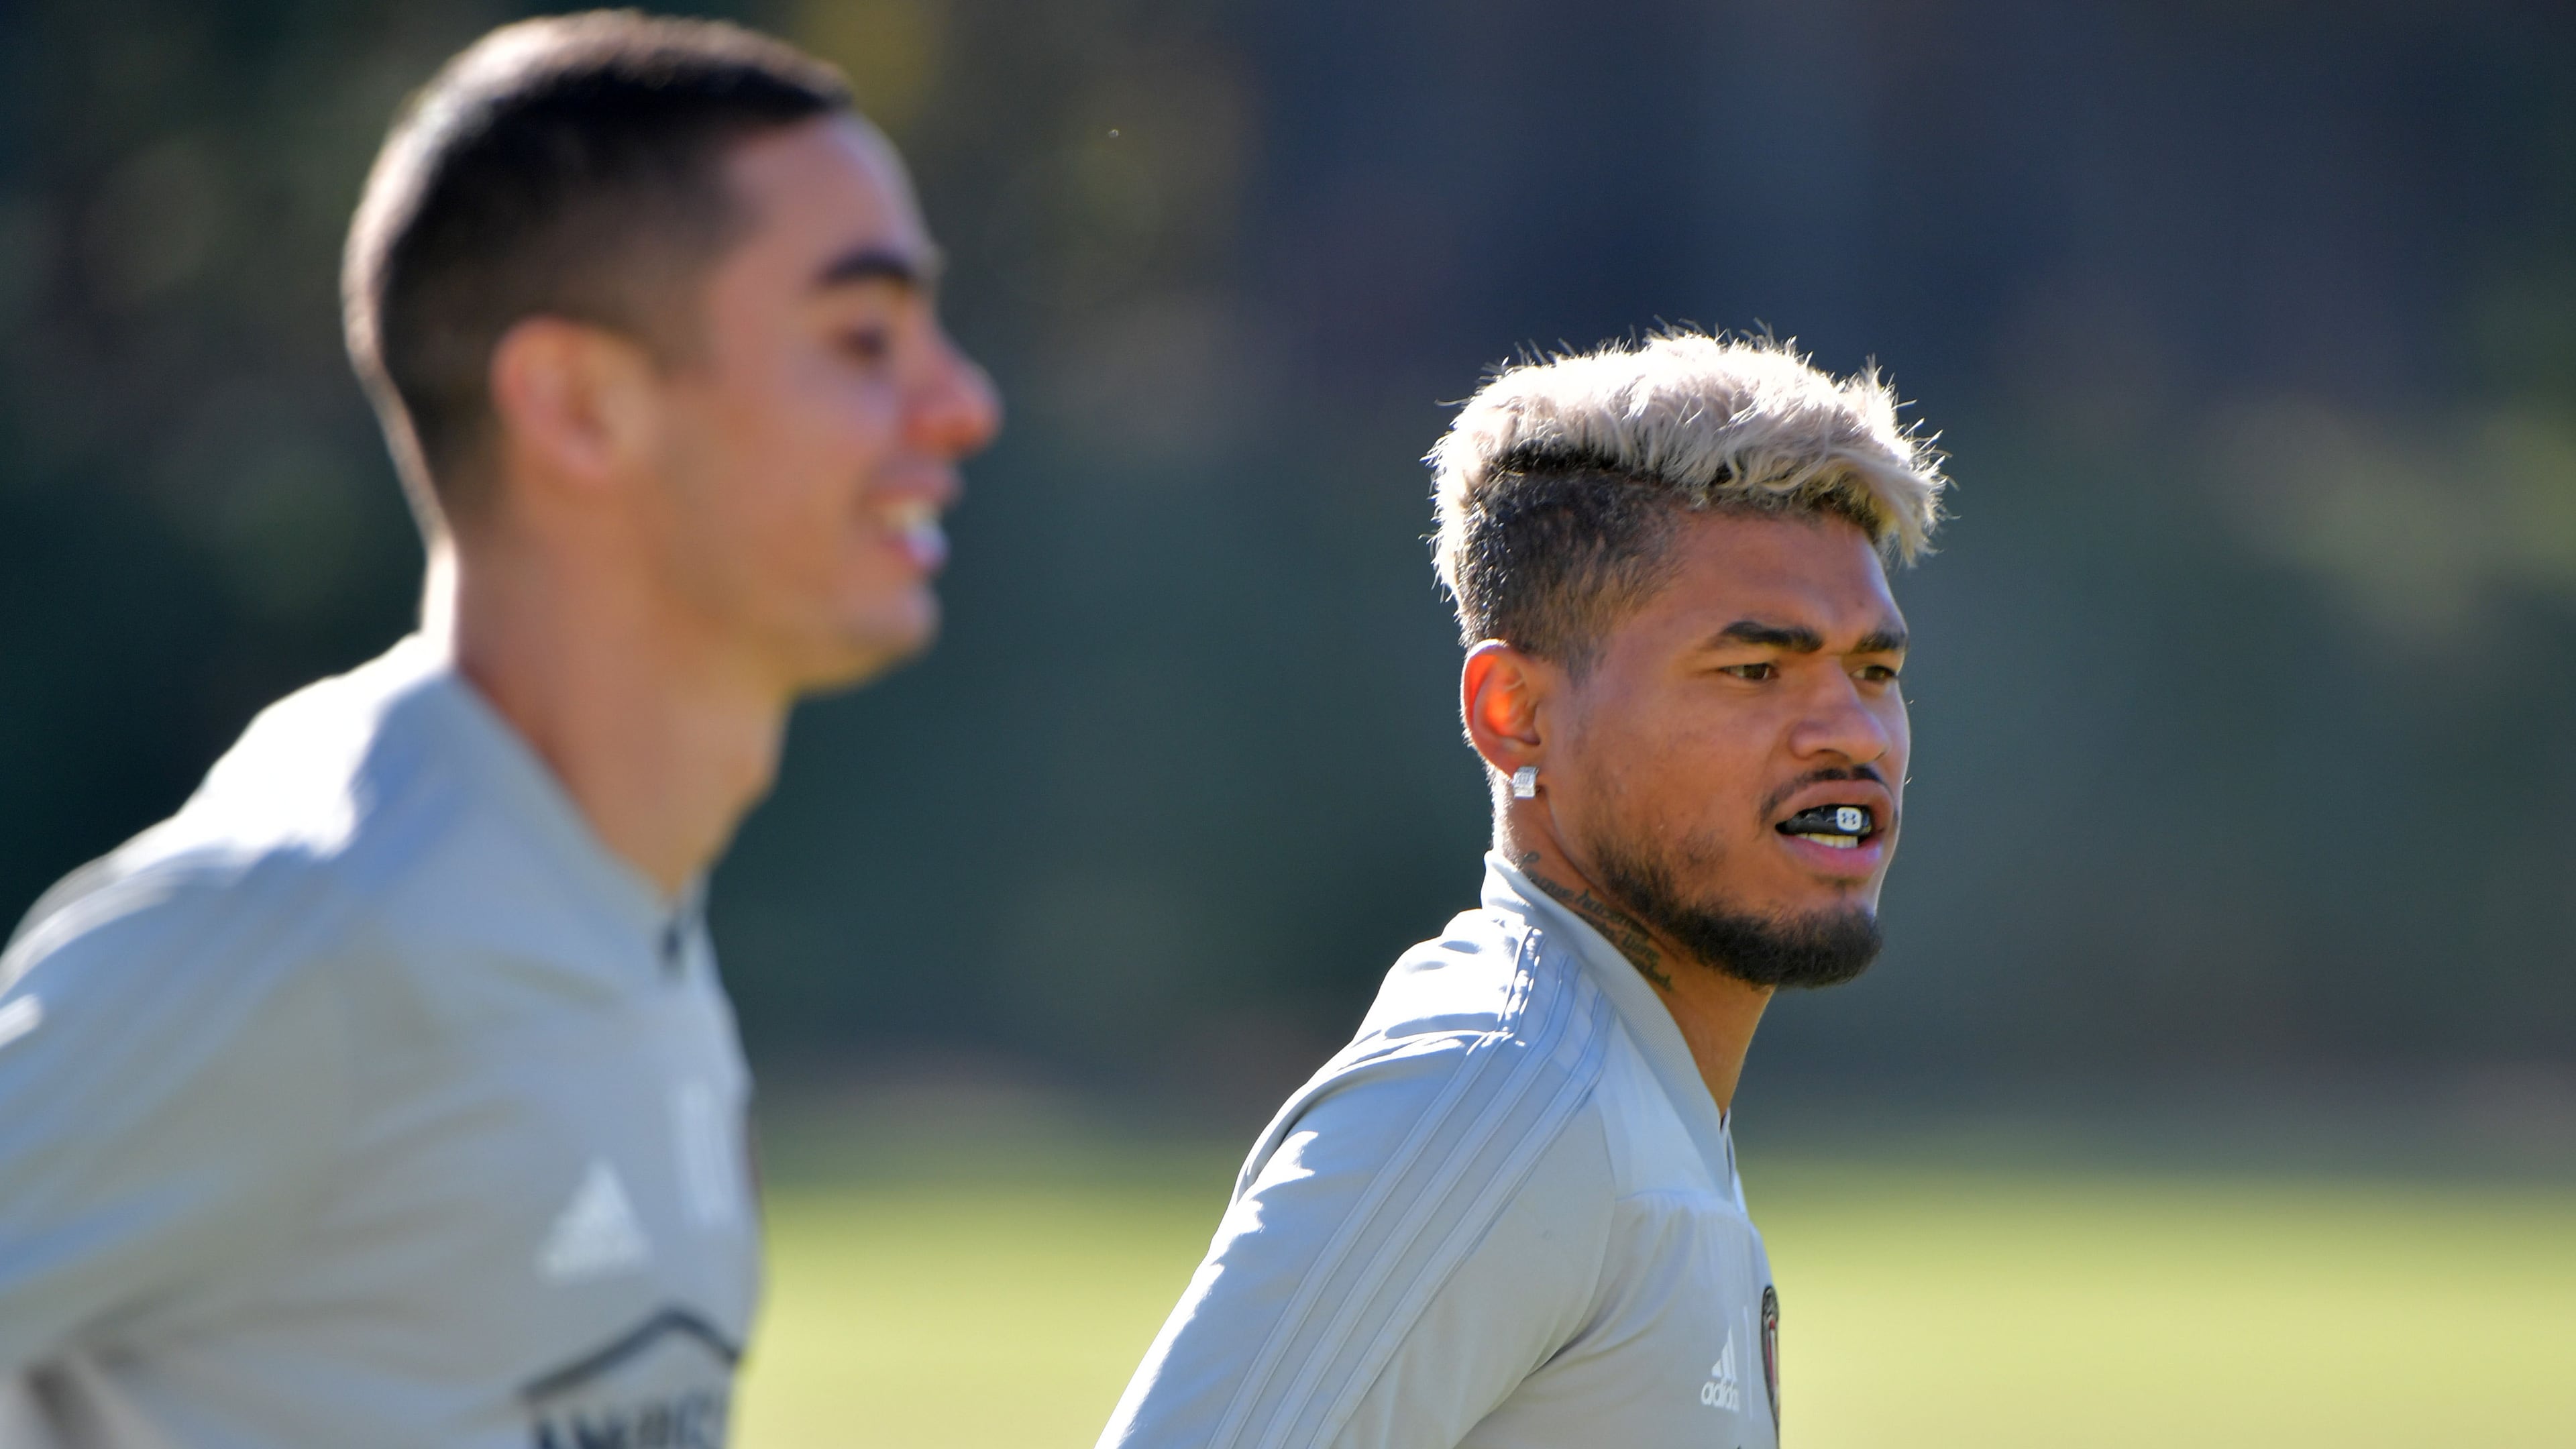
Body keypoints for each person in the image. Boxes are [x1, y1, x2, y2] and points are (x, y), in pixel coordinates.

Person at [0, 12, 997, 1446]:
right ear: (579, 406)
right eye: (862, 336)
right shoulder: (293, 936)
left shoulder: (616, 897)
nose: (961, 404)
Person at [1097, 332, 1945, 1449]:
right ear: (1514, 714)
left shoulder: (1620, 1093)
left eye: (1873, 672)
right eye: (1756, 670)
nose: (1850, 731)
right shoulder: (1496, 1097)